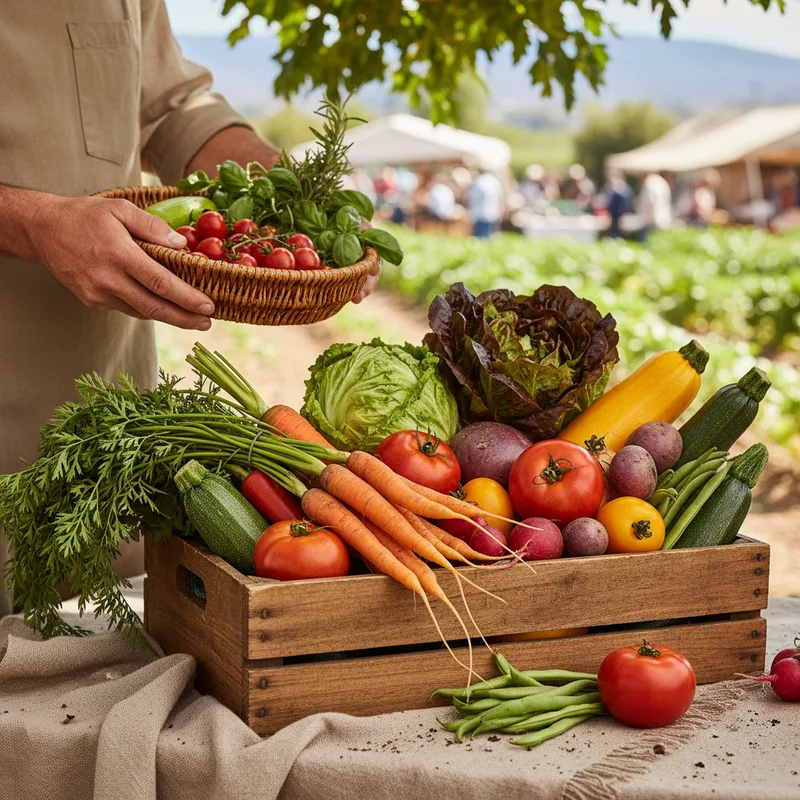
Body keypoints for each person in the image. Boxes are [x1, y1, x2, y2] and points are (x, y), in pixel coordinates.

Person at [0, 1, 380, 618]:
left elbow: (174, 107)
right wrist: (36, 224)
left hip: (107, 410)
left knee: (97, 644)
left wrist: (296, 193)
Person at [467, 169, 504, 238]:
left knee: (482, 236)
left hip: (481, 212)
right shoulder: (494, 181)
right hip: (488, 212)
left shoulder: (479, 181)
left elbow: (471, 197)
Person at [637, 171, 673, 241]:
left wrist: (646, 220)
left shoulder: (650, 183)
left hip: (653, 222)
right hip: (663, 220)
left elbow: (651, 202)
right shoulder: (660, 181)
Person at [604, 169, 633, 239]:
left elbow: (627, 202)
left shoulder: (625, 188)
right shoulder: (610, 188)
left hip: (622, 215)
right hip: (613, 216)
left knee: (620, 233)